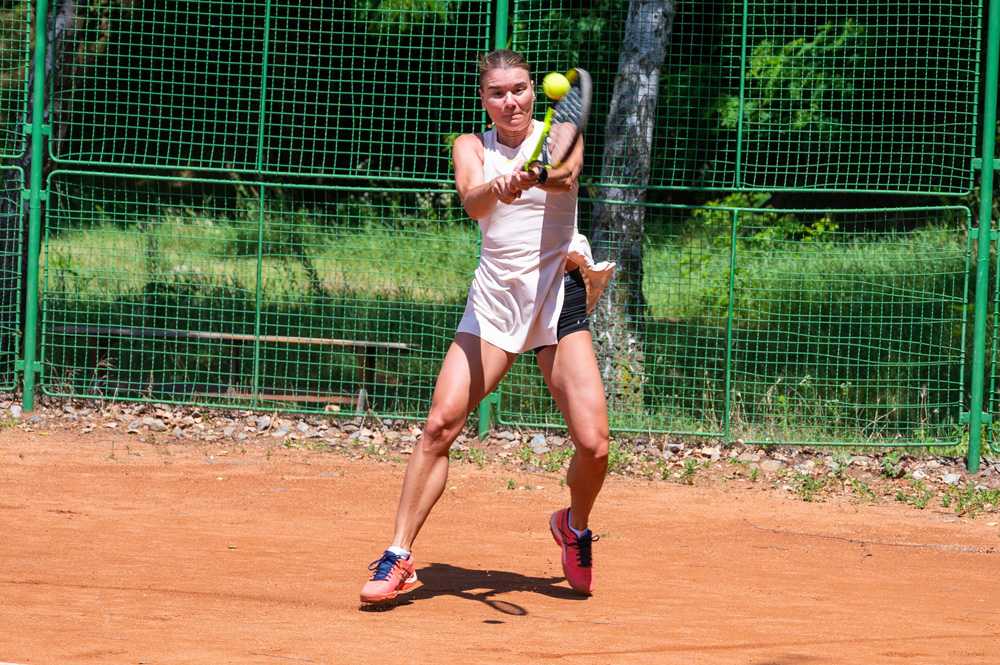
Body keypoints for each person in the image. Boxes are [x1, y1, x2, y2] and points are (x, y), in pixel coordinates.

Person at [359, 49, 615, 603]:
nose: (511, 101)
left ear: (533, 90)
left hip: (557, 294)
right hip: (496, 300)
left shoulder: (560, 133)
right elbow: (473, 203)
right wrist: (499, 186)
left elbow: (565, 176)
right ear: (484, 100)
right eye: (497, 93)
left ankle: (572, 525)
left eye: (519, 89)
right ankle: (399, 555)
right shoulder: (470, 146)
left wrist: (534, 175)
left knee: (594, 445)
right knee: (439, 425)